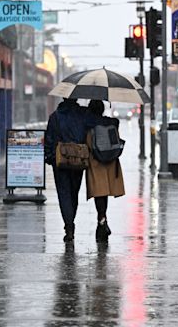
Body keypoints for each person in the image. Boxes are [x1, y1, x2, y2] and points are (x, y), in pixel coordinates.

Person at [45, 98, 88, 242]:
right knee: (74, 193)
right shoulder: (83, 114)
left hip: (60, 161)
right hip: (78, 160)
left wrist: (50, 158)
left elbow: (49, 139)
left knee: (64, 194)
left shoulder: (55, 116)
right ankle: (70, 221)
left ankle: (69, 225)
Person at [85, 100, 125, 242]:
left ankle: (102, 221)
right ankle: (102, 221)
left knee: (99, 194)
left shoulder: (89, 126)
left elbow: (88, 144)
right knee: (105, 194)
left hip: (96, 162)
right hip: (110, 162)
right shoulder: (111, 123)